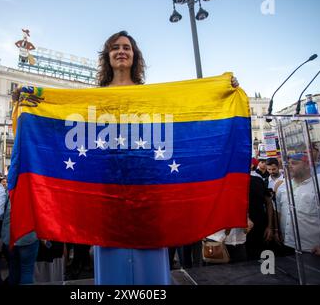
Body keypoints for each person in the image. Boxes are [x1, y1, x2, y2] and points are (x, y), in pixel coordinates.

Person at [93, 31, 240, 284]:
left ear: (134, 55)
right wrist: (33, 101)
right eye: (115, 47)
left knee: (150, 266)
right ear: (107, 56)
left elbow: (190, 106)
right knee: (111, 264)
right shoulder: (92, 98)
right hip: (109, 195)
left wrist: (223, 91)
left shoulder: (150, 96)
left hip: (148, 193)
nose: (121, 51)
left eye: (127, 47)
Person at [276, 153, 320, 256]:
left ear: (307, 165)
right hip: (286, 246)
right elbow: (280, 212)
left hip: (312, 250)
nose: (289, 166)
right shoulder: (282, 188)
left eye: (294, 163)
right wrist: (278, 231)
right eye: (288, 163)